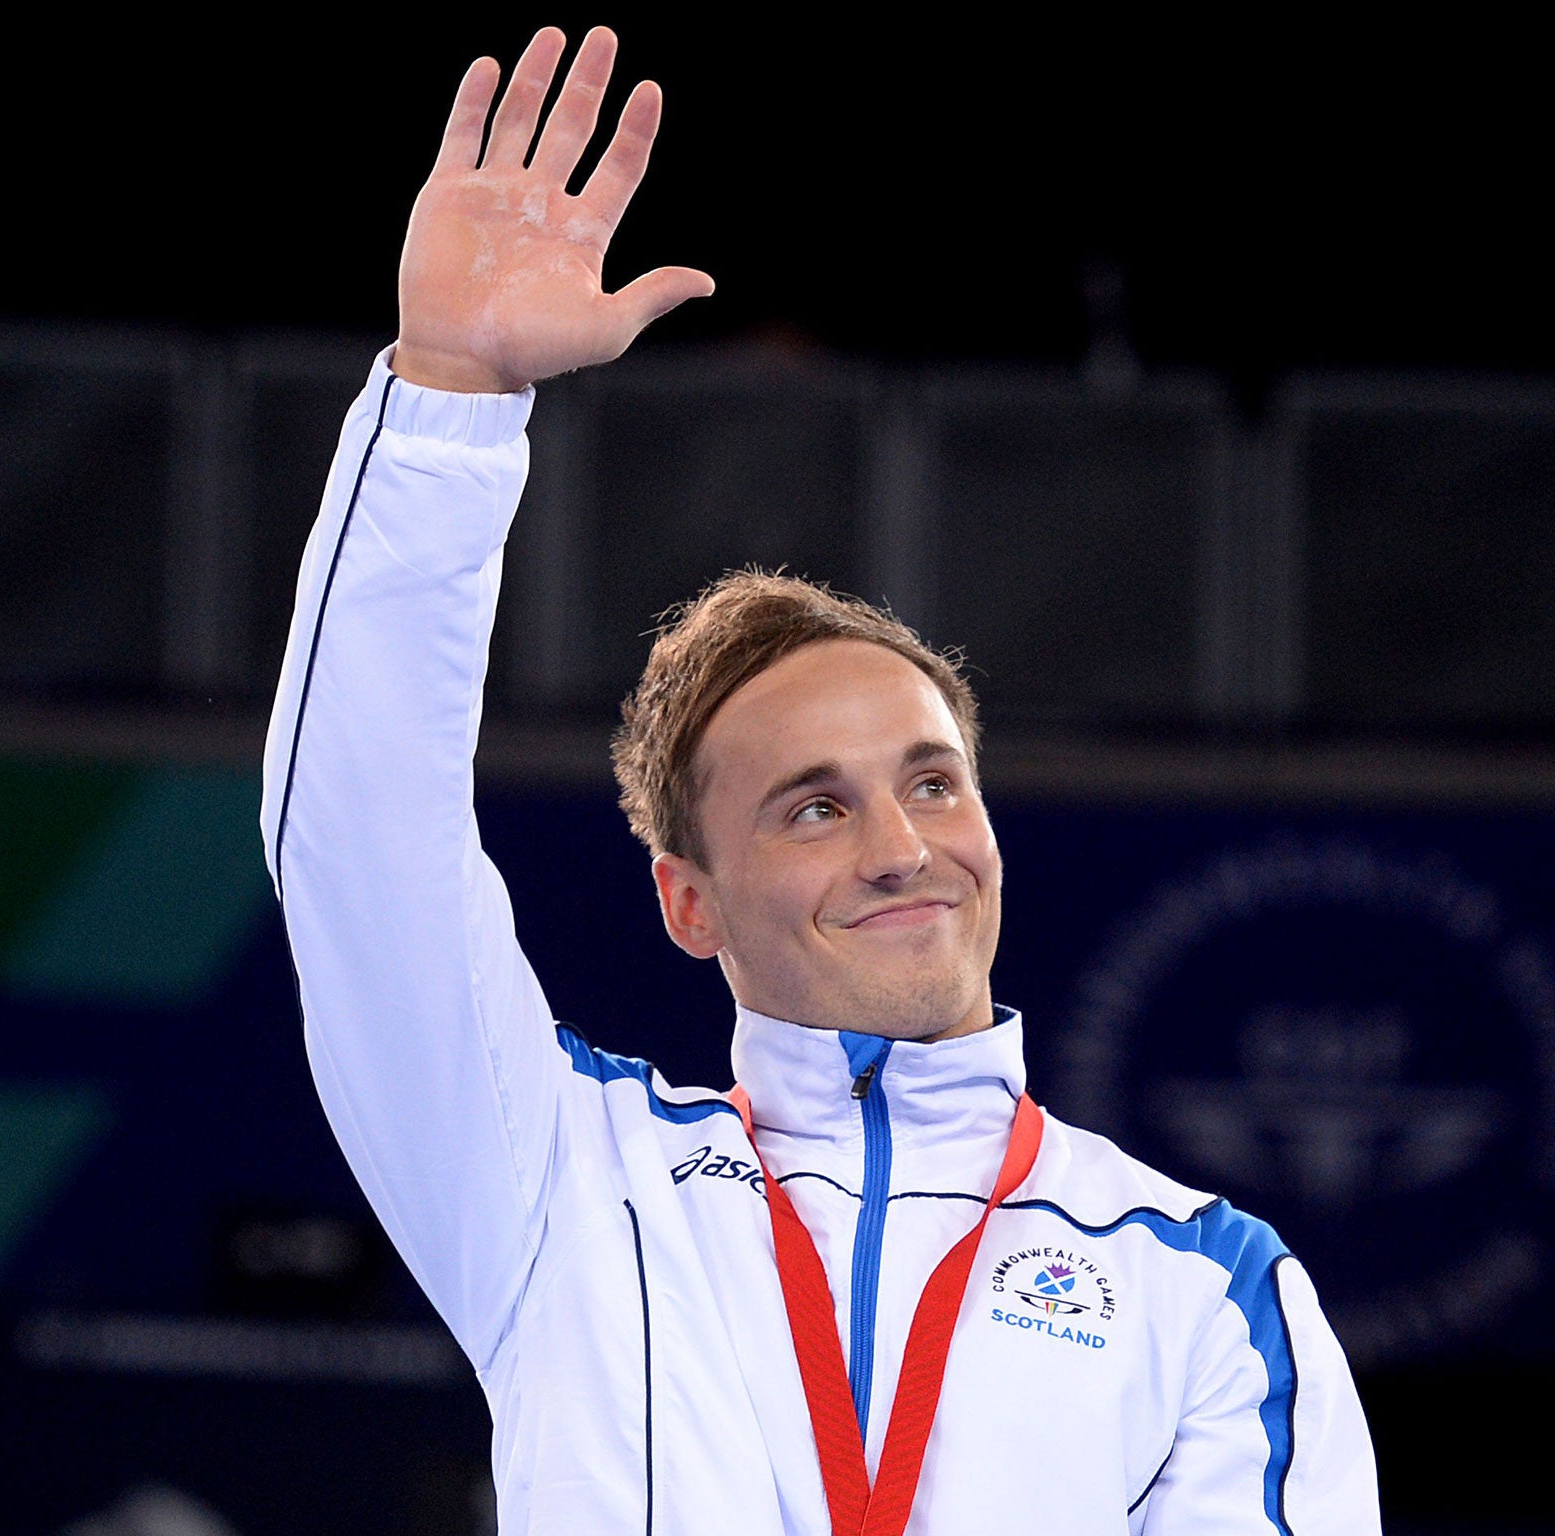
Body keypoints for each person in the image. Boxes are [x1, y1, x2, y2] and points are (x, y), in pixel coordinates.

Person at [262, 25, 1381, 1535]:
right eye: (814, 806)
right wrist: (450, 400)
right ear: (687, 901)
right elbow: (358, 840)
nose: (901, 845)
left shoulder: (1199, 1284)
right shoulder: (563, 1186)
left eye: (932, 782)